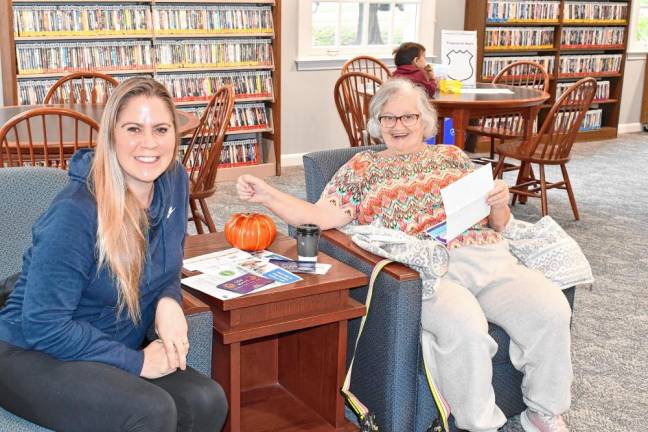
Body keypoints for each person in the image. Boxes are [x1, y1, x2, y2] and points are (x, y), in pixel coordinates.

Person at [236, 79, 573, 432]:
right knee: (466, 326)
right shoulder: (361, 168)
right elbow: (319, 217)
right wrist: (268, 196)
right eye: (388, 118)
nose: (398, 126)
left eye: (408, 117)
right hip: (424, 269)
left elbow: (499, 223)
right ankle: (481, 425)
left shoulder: (452, 156)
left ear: (425, 120)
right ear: (376, 123)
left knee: (550, 308)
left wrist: (501, 204)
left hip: (484, 254)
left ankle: (543, 412)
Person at [0, 78, 228, 432]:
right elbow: (44, 324)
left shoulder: (174, 182)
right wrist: (135, 363)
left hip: (106, 337)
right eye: (134, 129)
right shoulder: (75, 212)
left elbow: (166, 268)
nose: (149, 143)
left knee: (207, 401)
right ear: (111, 136)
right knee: (150, 411)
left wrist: (168, 300)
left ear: (174, 135)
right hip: (30, 350)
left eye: (161, 129)